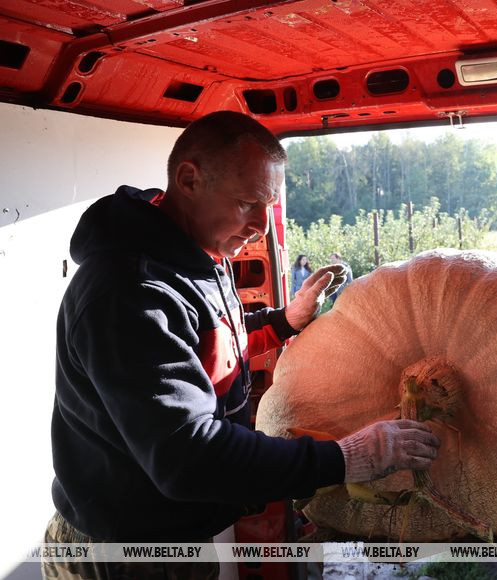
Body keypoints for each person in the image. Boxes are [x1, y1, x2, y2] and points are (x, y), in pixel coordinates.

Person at [44, 111, 439, 578]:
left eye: (268, 205)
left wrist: (284, 321)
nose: (262, 226)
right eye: (248, 203)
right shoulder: (130, 292)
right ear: (189, 179)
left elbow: (205, 345)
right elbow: (189, 457)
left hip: (172, 533)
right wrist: (345, 459)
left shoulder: (194, 252)